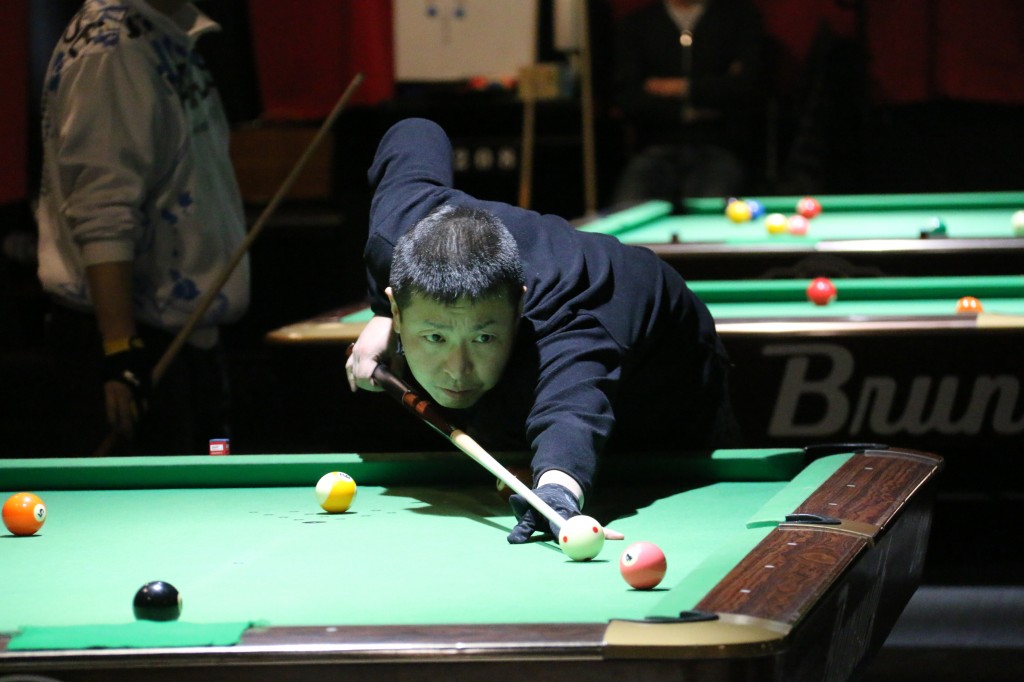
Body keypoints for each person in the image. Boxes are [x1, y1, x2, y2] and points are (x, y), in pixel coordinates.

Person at [346, 118, 737, 544]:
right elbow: (415, 130)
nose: (457, 370)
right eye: (435, 337)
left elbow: (572, 411)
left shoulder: (573, 321)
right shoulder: (397, 230)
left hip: (663, 391)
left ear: (520, 304)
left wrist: (556, 490)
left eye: (483, 338)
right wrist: (384, 313)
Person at [35, 0, 249, 455]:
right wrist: (121, 352)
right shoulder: (111, 51)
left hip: (180, 342)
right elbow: (102, 208)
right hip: (137, 351)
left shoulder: (160, 33)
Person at [612, 0, 765, 203]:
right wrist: (703, 100)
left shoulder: (740, 18)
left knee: (710, 212)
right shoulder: (638, 23)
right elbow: (627, 98)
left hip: (719, 147)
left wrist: (676, 87)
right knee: (626, 210)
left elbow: (745, 89)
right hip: (654, 147)